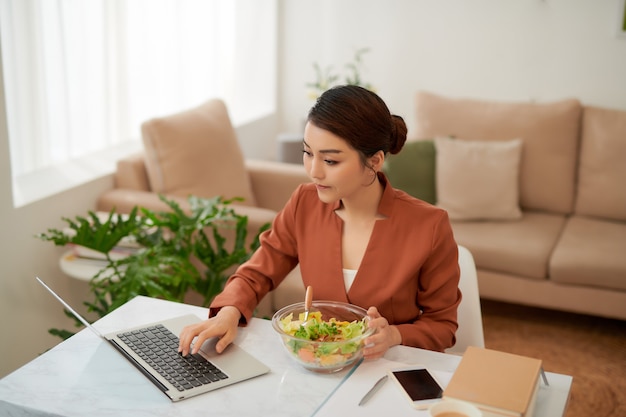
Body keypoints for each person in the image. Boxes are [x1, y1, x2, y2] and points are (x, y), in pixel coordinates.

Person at [179, 85, 461, 360]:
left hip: (386, 371)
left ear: (374, 161)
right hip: (315, 366)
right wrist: (229, 313)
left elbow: (442, 327)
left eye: (330, 161)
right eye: (308, 153)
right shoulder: (305, 203)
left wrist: (394, 336)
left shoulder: (429, 226)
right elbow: (257, 274)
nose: (314, 172)